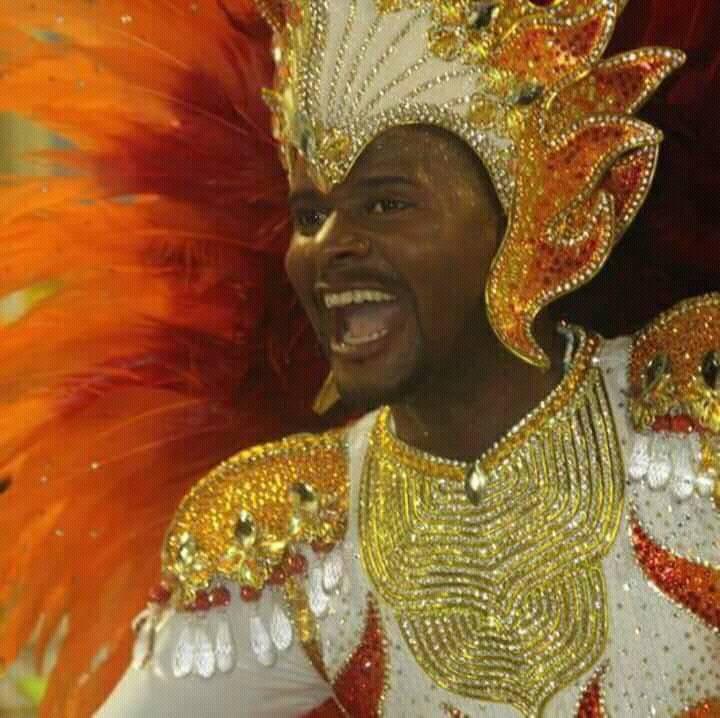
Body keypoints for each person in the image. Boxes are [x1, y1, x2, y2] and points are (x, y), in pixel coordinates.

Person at [0, 1, 718, 717]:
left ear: (530, 220)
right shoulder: (298, 544)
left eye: (387, 204)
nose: (327, 247)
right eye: (310, 216)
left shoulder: (692, 418)